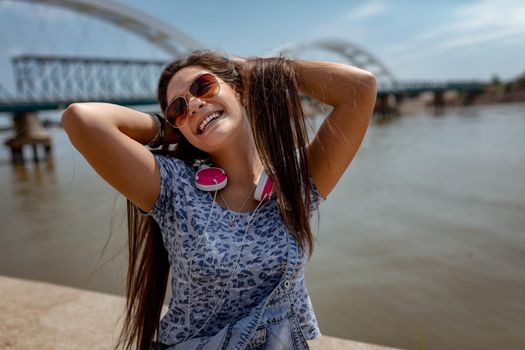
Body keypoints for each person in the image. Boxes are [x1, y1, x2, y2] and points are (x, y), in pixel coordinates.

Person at [61, 50, 376, 350]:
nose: (194, 104)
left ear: (239, 90)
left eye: (204, 85)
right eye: (178, 108)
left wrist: (257, 70)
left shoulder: (294, 182)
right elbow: (81, 119)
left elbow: (359, 89)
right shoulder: (173, 186)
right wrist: (171, 130)